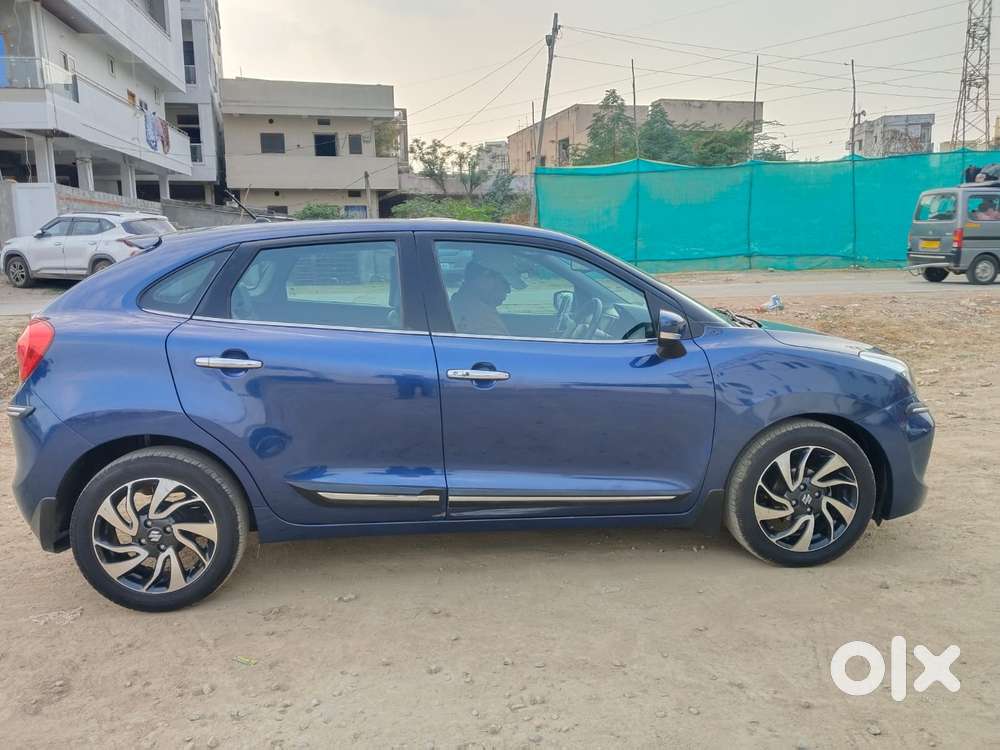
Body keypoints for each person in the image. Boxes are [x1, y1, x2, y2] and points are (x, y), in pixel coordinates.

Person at [449, 252, 526, 335]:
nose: (508, 290)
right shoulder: (482, 322)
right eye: (505, 283)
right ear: (485, 278)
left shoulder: (465, 304)